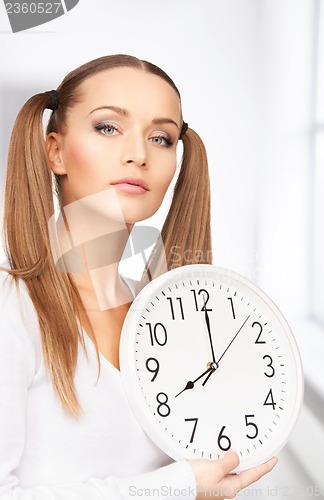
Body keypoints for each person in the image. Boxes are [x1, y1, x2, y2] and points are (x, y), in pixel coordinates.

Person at [0, 54, 277, 499]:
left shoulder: (163, 319)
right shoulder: (11, 307)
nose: (138, 155)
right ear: (55, 151)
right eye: (108, 127)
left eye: (161, 138)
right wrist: (181, 485)